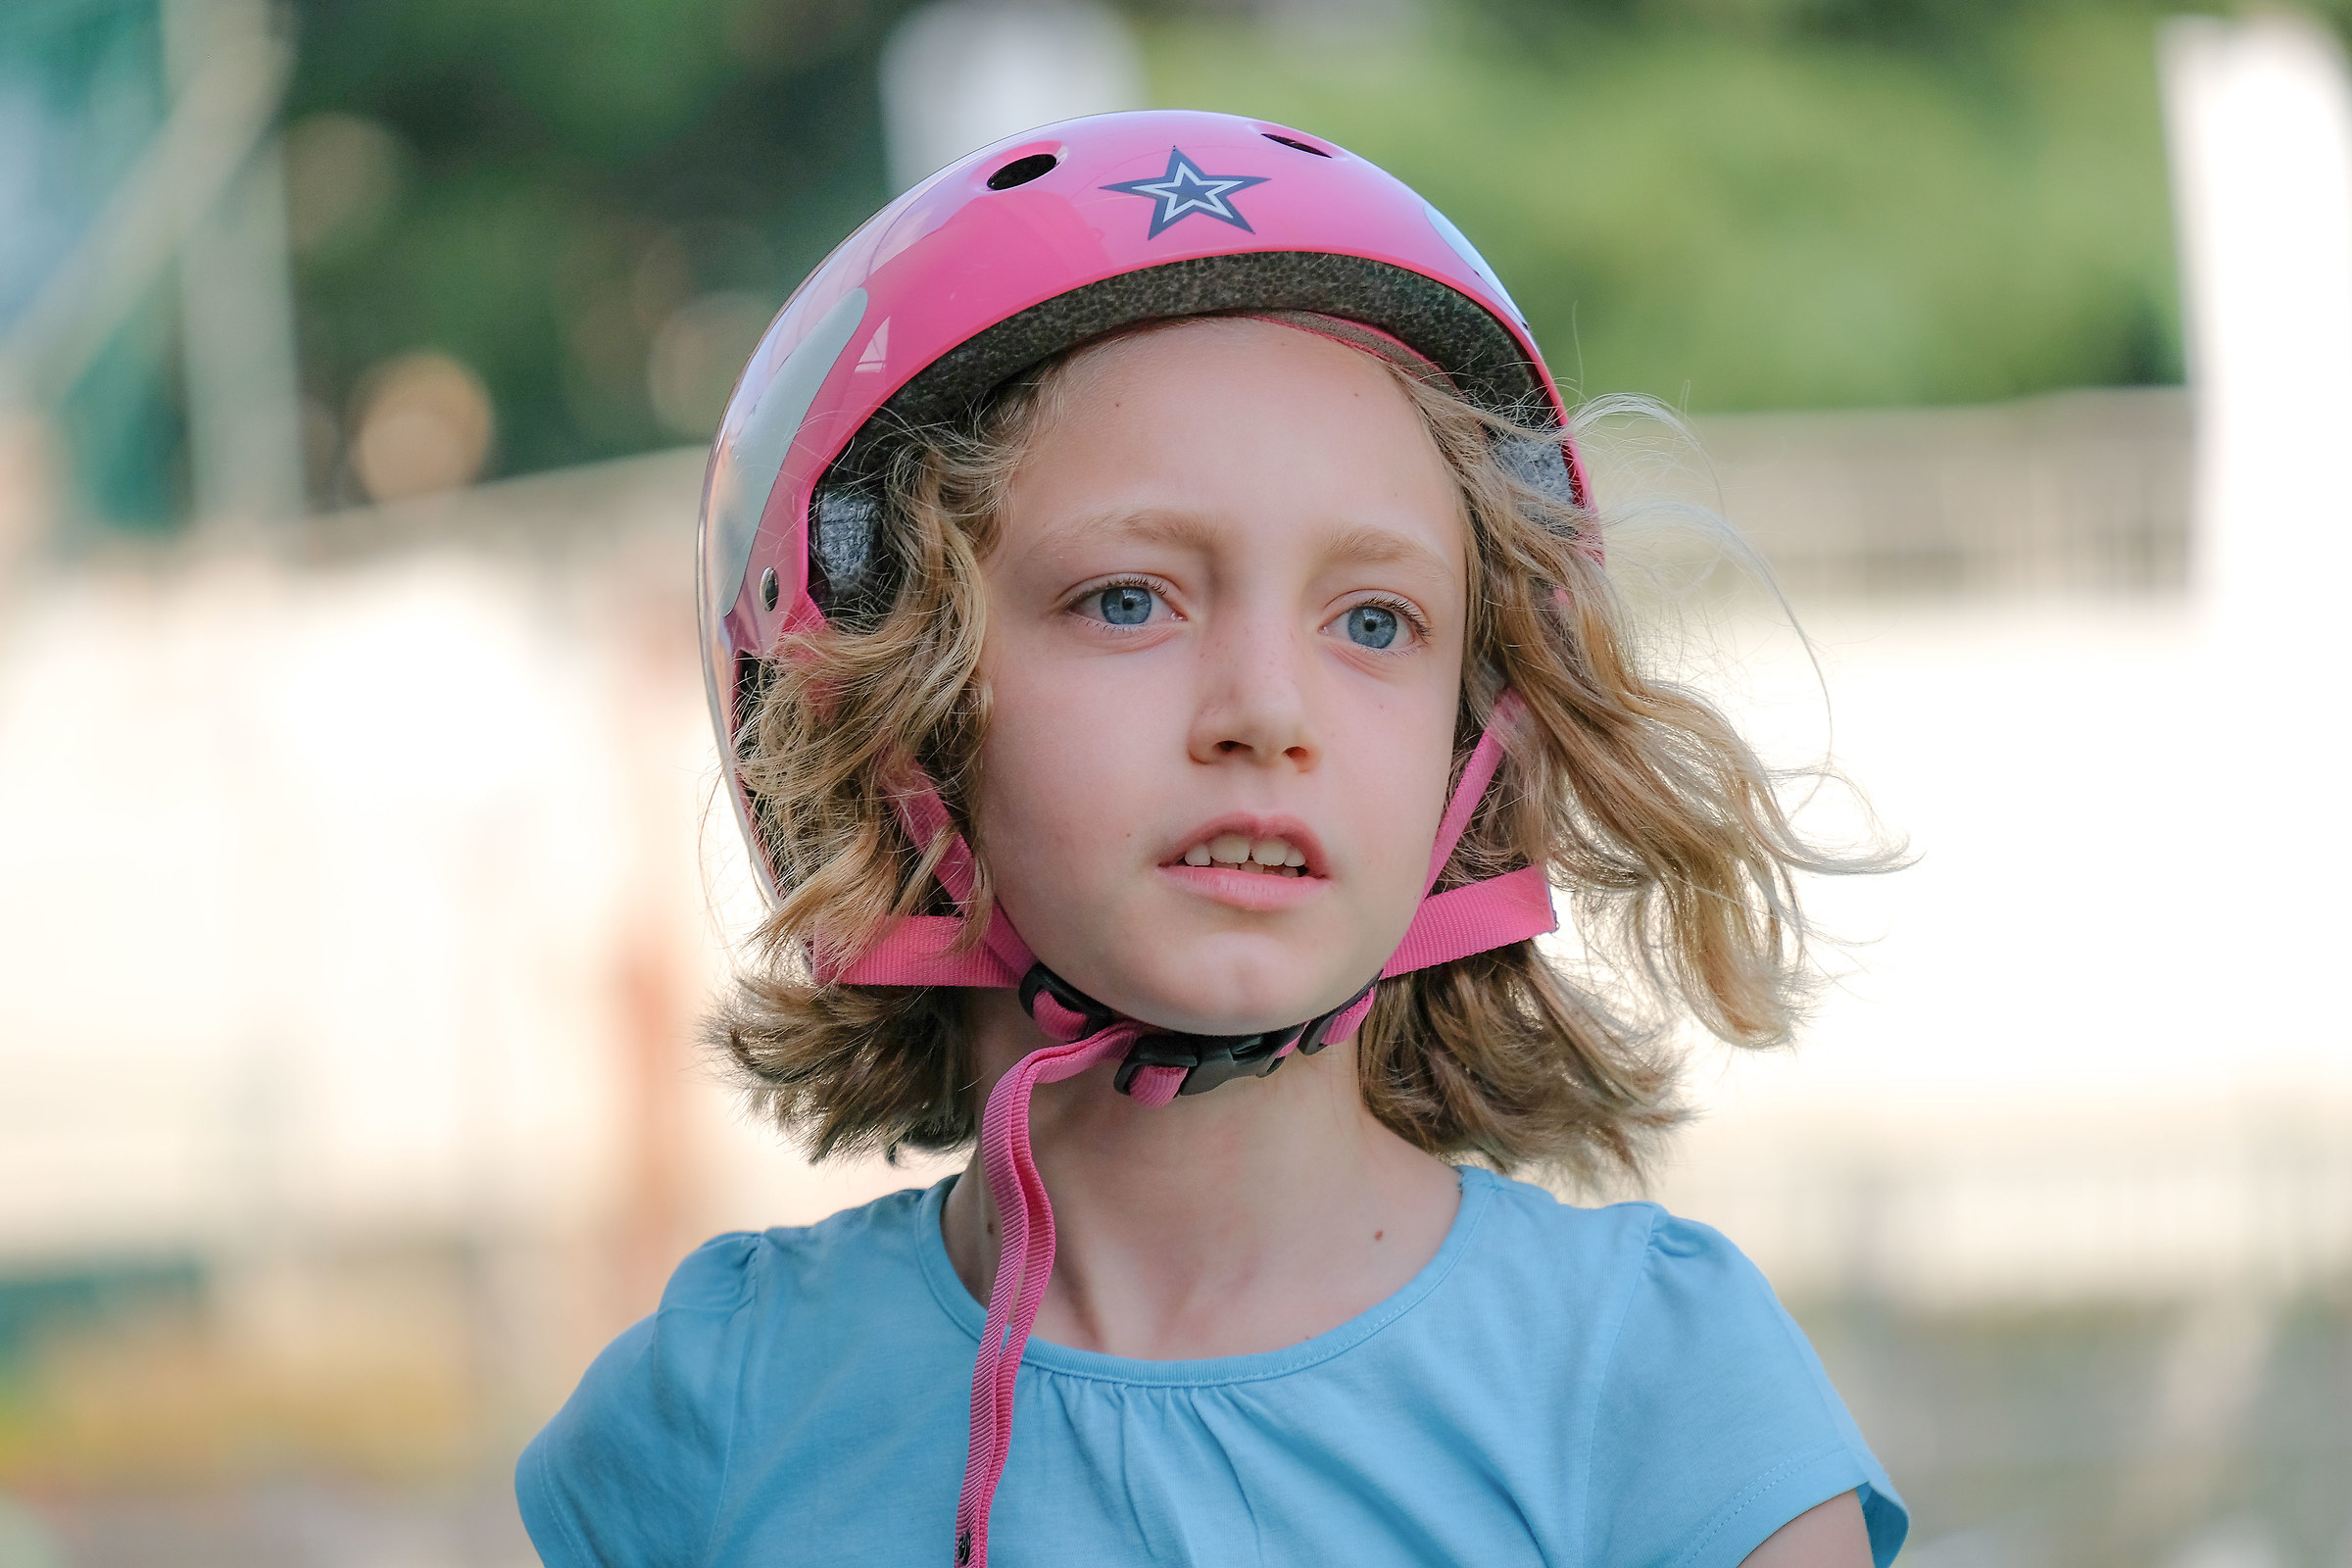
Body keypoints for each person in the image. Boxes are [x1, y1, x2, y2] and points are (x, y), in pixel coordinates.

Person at [517, 110, 1909, 1568]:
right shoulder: (717, 1414)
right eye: (1130, 600)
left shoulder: (1660, 1393)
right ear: (892, 696)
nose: (1266, 712)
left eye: (1375, 622)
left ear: (1474, 729)